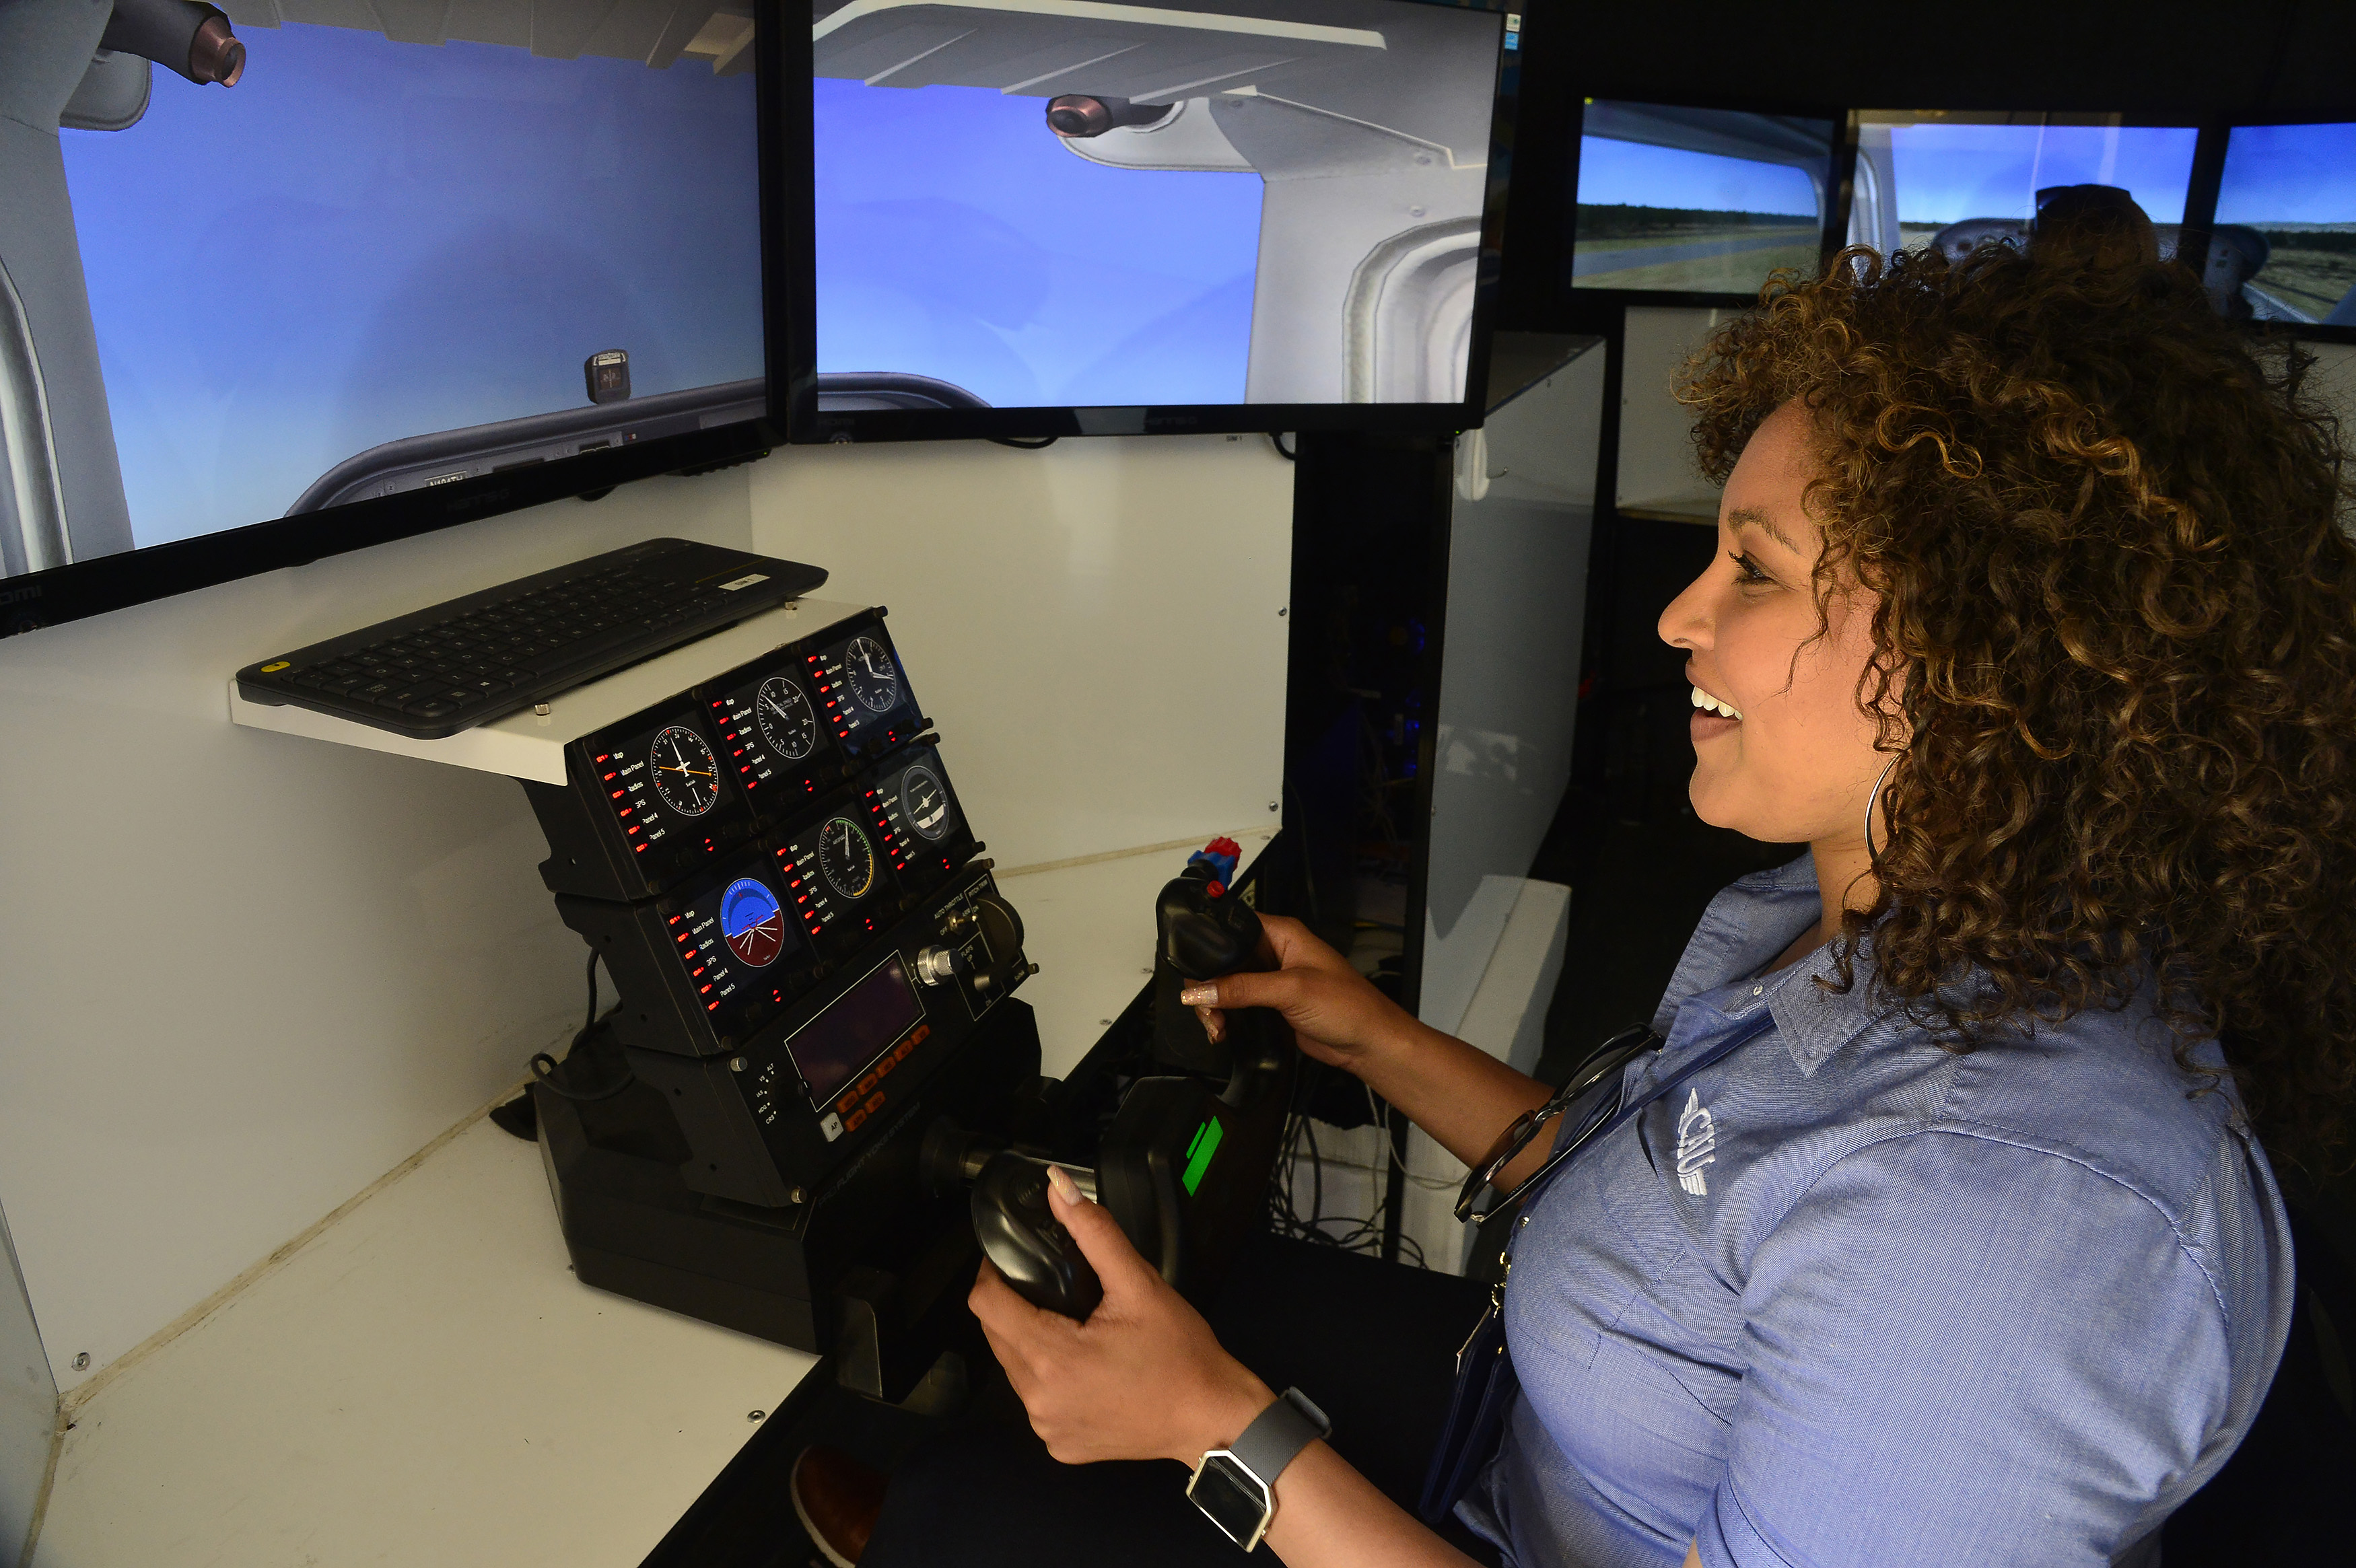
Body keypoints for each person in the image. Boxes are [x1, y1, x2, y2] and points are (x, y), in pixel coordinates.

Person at [839, 240, 2356, 1567]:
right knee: (1153, 1322)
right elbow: (1691, 1195)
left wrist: (1219, 1432)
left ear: (1985, 652)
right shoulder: (1910, 923)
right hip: (1534, 1439)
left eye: (1754, 572)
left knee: (973, 1508)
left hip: (1532, 1500)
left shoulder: (1997, 1225)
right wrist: (1375, 1038)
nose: (1678, 615)